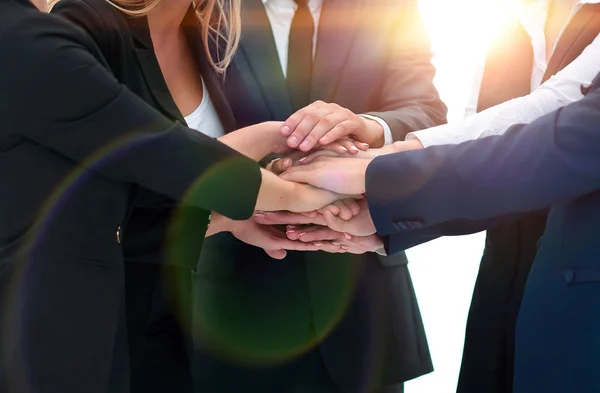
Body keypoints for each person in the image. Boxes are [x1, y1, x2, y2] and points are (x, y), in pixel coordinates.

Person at [0, 1, 347, 392]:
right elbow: (144, 159)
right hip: (95, 320)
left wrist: (236, 211)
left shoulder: (216, 36)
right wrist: (291, 193)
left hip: (174, 316)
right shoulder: (75, 22)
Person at [260, 68, 600, 393]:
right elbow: (559, 99)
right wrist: (386, 183)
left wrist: (384, 173)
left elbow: (574, 133)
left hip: (573, 312)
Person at [192, 1, 447, 392]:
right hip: (233, 299)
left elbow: (427, 112)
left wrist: (369, 126)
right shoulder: (208, 9)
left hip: (364, 304)